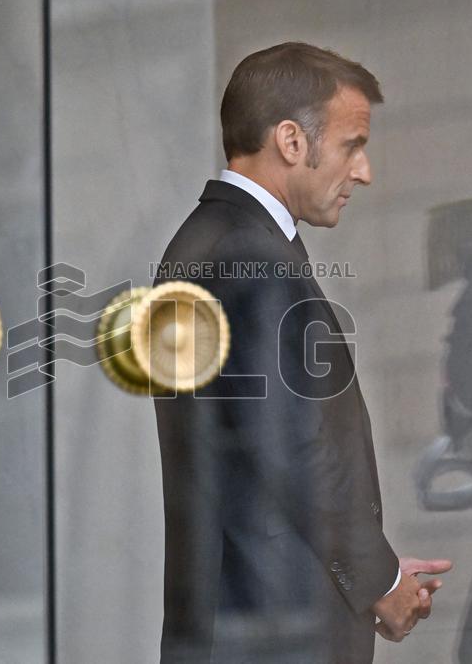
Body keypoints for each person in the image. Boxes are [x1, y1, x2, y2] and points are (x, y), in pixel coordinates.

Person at [152, 42, 451, 663]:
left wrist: (377, 569)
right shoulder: (248, 254)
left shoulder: (210, 241)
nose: (364, 172)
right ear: (291, 141)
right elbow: (294, 449)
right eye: (351, 145)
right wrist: (381, 582)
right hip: (271, 637)